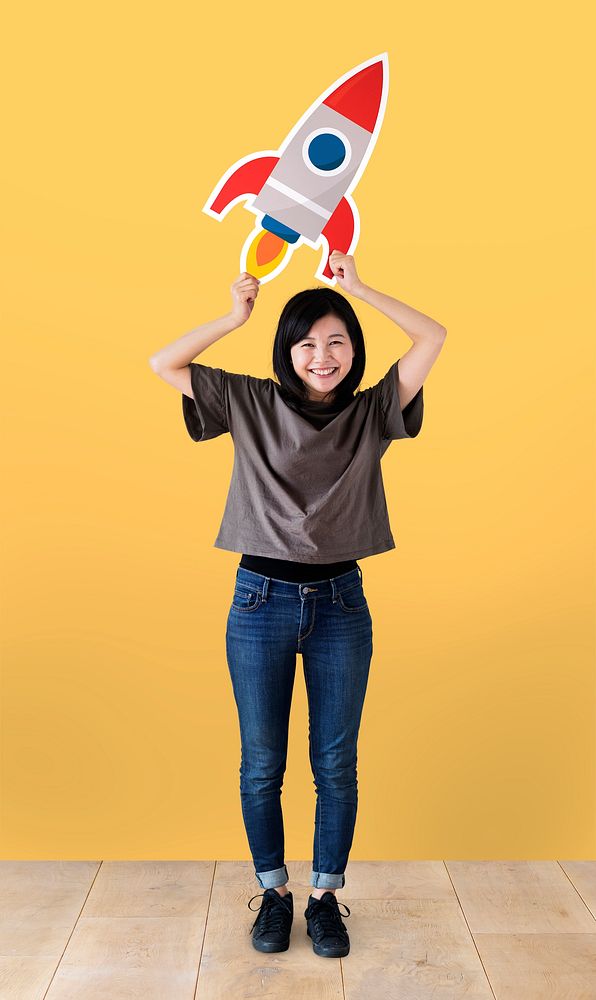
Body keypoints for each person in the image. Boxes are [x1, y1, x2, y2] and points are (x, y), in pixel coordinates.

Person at [149, 250, 446, 958]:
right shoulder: (249, 401)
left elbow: (432, 337)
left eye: (337, 340)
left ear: (353, 350)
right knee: (262, 763)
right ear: (288, 350)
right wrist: (233, 315)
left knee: (335, 763)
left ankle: (324, 899)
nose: (323, 355)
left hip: (342, 601)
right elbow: (165, 363)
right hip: (260, 601)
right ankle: (275, 894)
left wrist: (362, 287)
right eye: (308, 342)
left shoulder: (376, 409)